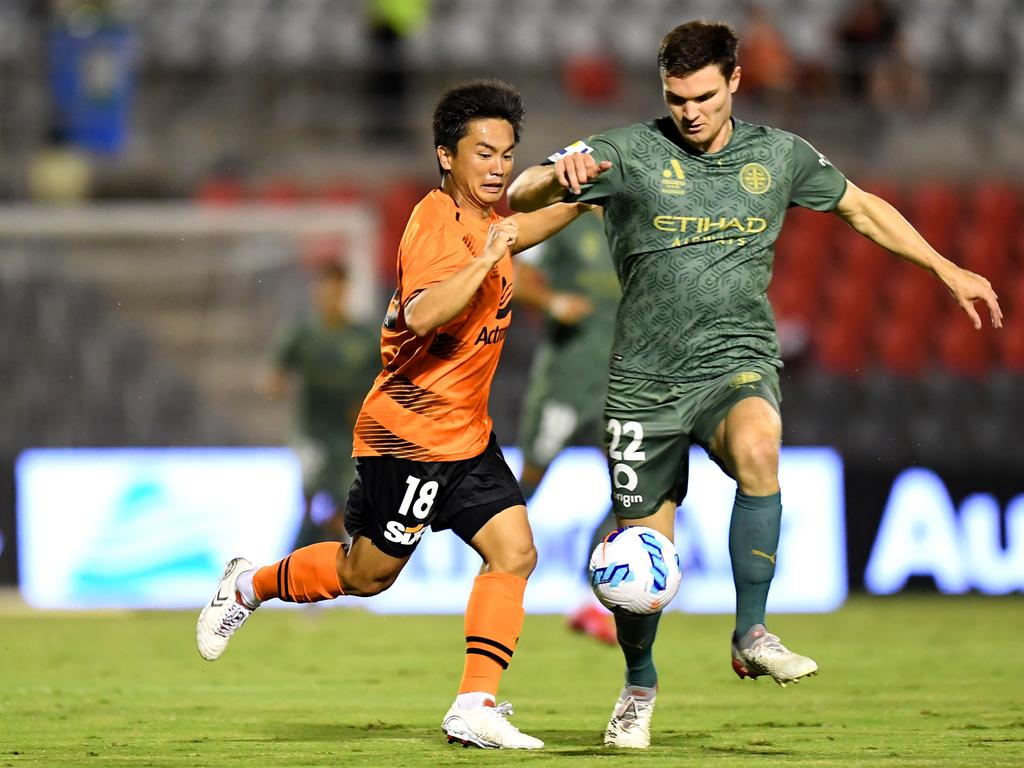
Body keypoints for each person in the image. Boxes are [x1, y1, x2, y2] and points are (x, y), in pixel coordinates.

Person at [508, 20, 1002, 749]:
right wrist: (556, 175)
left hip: (735, 362)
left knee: (761, 446)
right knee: (643, 566)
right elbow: (522, 196)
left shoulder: (779, 156)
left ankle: (751, 632)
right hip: (644, 384)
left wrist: (945, 267)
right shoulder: (625, 151)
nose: (691, 112)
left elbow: (862, 208)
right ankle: (639, 681)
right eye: (677, 98)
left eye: (704, 96)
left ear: (735, 81)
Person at [197, 80, 593, 750]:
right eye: (483, 154)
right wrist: (492, 258)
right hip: (406, 439)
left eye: (506, 155)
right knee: (367, 575)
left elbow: (527, 225)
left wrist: (584, 197)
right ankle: (248, 586)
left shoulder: (489, 223)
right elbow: (423, 312)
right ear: (446, 155)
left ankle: (474, 704)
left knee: (515, 552)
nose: (497, 167)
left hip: (465, 437)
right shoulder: (433, 224)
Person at [514, 209, 622, 644]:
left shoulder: (630, 227)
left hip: (616, 383)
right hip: (564, 382)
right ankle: (489, 568)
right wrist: (554, 303)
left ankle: (589, 599)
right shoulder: (561, 224)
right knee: (530, 482)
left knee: (628, 491)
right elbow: (520, 279)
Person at [264, 260, 379, 549]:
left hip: (348, 433)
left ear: (345, 291)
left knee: (345, 501)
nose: (331, 295)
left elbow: (383, 380)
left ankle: (327, 555)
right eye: (326, 288)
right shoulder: (301, 333)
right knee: (311, 496)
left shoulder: (363, 337)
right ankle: (300, 554)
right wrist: (276, 384)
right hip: (311, 430)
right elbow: (275, 373)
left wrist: (366, 406)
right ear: (317, 291)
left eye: (337, 289)